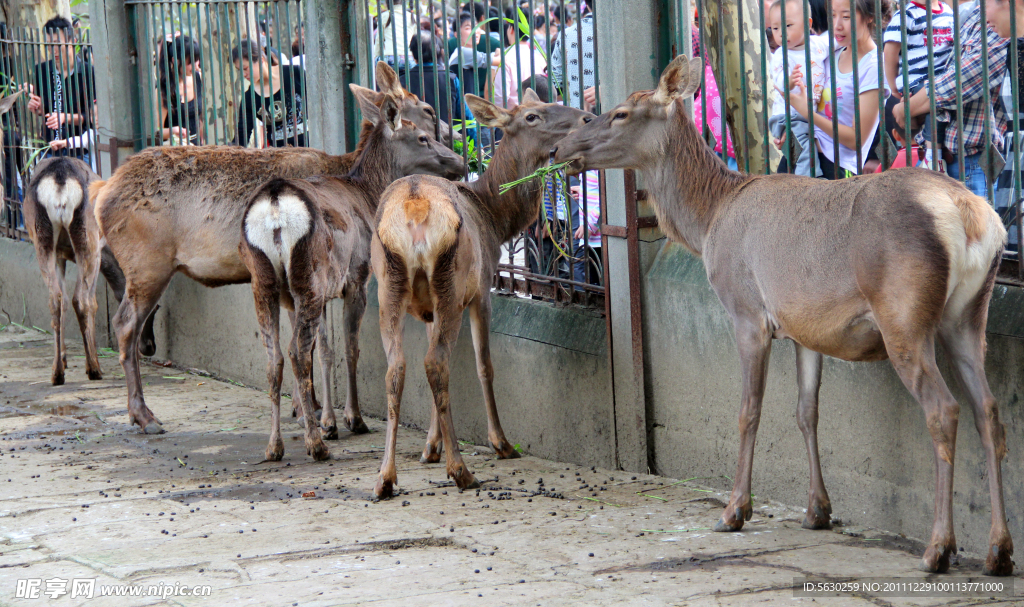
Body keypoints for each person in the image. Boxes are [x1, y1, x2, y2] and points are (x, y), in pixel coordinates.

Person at [894, 0, 1015, 197]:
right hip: (945, 156)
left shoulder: (1005, 26)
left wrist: (907, 108)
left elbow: (956, 83)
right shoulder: (977, 13)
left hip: (972, 164)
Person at [786, 0, 891, 179]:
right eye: (833, 15)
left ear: (870, 17)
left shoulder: (874, 66)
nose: (836, 25)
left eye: (846, 17)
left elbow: (856, 139)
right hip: (802, 155)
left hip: (835, 169)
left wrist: (808, 115)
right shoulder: (828, 53)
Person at [882, 0, 954, 166]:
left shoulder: (949, 12)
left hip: (943, 79)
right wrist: (893, 87)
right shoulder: (907, 15)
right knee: (932, 101)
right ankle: (932, 156)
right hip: (917, 79)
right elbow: (890, 52)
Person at [23, 17, 96, 165]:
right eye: (49, 45)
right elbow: (43, 112)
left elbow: (91, 118)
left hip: (79, 152)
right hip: (49, 149)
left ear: (72, 42)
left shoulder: (89, 72)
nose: (53, 50)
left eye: (57, 44)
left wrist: (64, 117)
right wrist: (37, 108)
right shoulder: (41, 71)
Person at [768, 0, 828, 177]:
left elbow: (837, 43)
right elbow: (779, 83)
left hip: (809, 114)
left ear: (808, 24)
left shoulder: (817, 45)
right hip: (787, 116)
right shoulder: (781, 55)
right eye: (775, 28)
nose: (780, 34)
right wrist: (790, 81)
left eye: (788, 26)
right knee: (804, 148)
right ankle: (807, 182)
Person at [233, 39, 307, 148]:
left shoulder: (295, 74)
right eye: (240, 70)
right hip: (278, 158)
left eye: (245, 68)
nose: (243, 74)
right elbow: (241, 137)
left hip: (310, 150)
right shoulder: (249, 98)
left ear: (261, 60)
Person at [406, 31, 469, 128]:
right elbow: (465, 115)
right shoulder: (451, 79)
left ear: (413, 54)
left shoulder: (403, 80)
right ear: (439, 53)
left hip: (414, 140)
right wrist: (477, 141)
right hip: (445, 139)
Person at [492, 8, 546, 109]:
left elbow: (500, 97)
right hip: (537, 115)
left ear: (511, 29)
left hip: (514, 118)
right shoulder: (539, 57)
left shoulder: (504, 58)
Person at [157, 35, 204, 145]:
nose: (196, 66)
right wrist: (173, 130)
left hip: (198, 148)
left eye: (197, 60)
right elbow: (156, 131)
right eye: (190, 62)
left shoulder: (199, 78)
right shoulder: (163, 90)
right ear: (175, 61)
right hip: (175, 151)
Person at [550, 0, 595, 110]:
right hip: (616, 119)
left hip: (580, 117)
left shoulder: (566, 35)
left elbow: (555, 83)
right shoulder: (620, 32)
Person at [374, 0, 418, 70]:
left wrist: (375, 58)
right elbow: (416, 41)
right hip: (408, 59)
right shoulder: (413, 17)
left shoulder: (384, 16)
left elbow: (379, 41)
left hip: (388, 60)